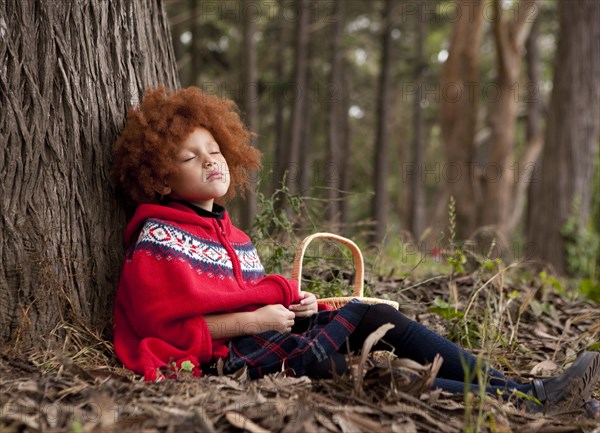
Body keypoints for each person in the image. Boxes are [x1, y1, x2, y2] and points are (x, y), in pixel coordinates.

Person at [111, 86, 599, 416]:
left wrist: (291, 305)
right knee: (349, 371)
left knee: (370, 317)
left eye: (214, 150)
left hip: (264, 338)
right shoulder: (158, 238)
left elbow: (242, 295)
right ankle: (524, 406)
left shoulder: (231, 234)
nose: (210, 161)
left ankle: (529, 391)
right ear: (160, 175)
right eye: (189, 157)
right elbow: (167, 329)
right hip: (226, 359)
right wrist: (255, 321)